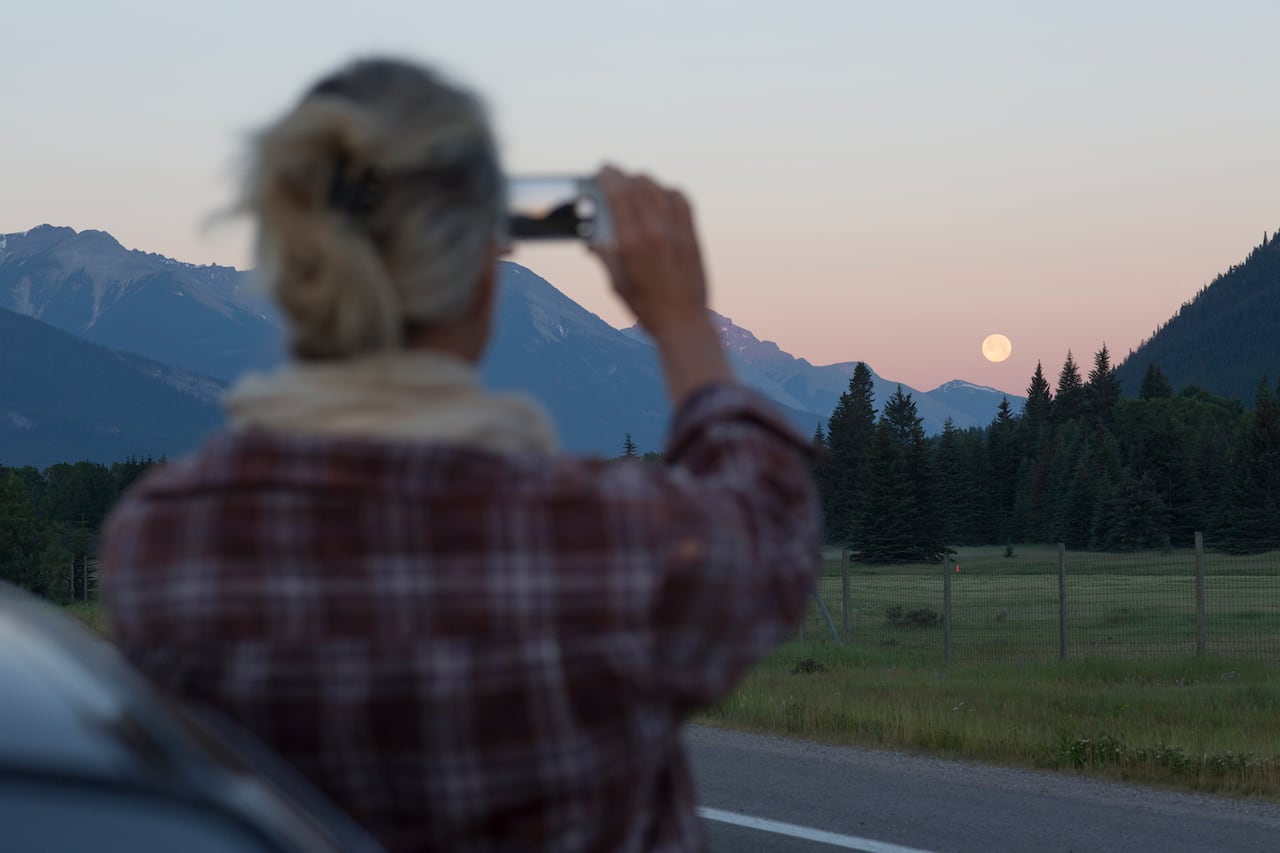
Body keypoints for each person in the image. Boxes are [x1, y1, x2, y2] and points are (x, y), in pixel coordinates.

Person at [101, 57, 821, 853]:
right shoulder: (600, 539)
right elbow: (770, 529)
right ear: (484, 270)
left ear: (293, 270)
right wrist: (682, 318)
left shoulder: (161, 544)